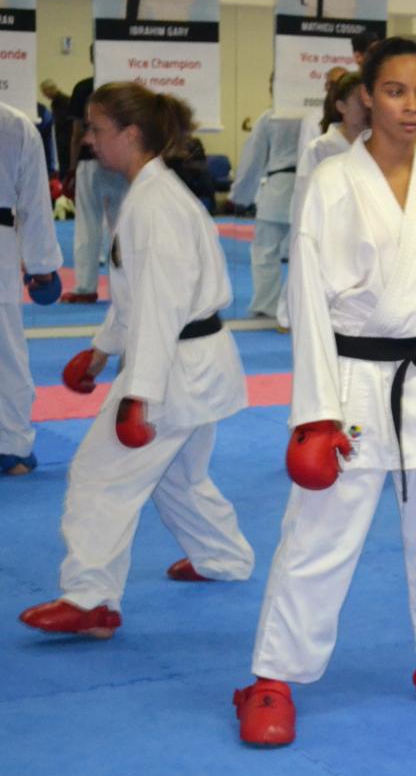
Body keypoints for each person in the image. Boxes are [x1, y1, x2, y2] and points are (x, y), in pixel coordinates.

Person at [234, 38, 416, 747]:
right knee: (320, 535)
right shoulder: (332, 184)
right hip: (355, 383)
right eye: (396, 91)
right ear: (368, 95)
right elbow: (306, 302)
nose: (411, 107)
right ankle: (271, 678)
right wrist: (316, 414)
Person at [18, 82, 253, 638]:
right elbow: (139, 297)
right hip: (192, 361)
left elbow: (159, 307)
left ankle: (90, 598)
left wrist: (138, 395)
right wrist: (101, 354)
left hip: (172, 368)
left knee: (98, 475)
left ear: (130, 134)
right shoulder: (151, 195)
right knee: (179, 476)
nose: (90, 140)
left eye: (98, 130)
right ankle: (224, 558)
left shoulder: (155, 206)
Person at [276, 73, 369, 328]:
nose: (366, 108)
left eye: (369, 100)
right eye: (358, 102)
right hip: (330, 242)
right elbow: (303, 208)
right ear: (341, 107)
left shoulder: (379, 148)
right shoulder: (319, 149)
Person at [0, 102, 63, 476]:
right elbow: (36, 204)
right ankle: (13, 447)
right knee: (6, 350)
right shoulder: (16, 124)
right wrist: (42, 267)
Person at [229, 93, 302, 322]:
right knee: (306, 253)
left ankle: (266, 304)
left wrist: (241, 195)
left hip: (277, 187)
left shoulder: (270, 117)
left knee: (265, 251)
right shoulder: (314, 115)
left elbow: (253, 158)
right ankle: (301, 305)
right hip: (309, 187)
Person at [63, 60, 131, 304]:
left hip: (89, 162)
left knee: (88, 224)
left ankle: (85, 287)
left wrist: (70, 169)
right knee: (121, 226)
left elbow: (77, 132)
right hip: (121, 161)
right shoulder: (126, 91)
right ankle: (124, 289)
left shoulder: (84, 87)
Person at [296, 66, 350, 159]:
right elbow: (305, 157)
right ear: (327, 86)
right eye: (335, 84)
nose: (339, 88)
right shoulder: (313, 119)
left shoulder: (357, 116)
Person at [41, 79, 73, 175]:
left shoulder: (63, 102)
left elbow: (61, 121)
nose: (44, 95)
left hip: (65, 141)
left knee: (64, 168)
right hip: (64, 139)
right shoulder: (62, 101)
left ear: (50, 89)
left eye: (44, 91)